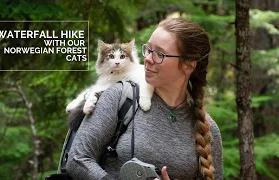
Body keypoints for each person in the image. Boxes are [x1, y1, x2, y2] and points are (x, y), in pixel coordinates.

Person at [66, 18, 223, 180]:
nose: (148, 58)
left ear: (189, 65)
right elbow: (78, 159)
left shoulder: (208, 131)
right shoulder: (119, 97)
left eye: (159, 54)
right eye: (148, 49)